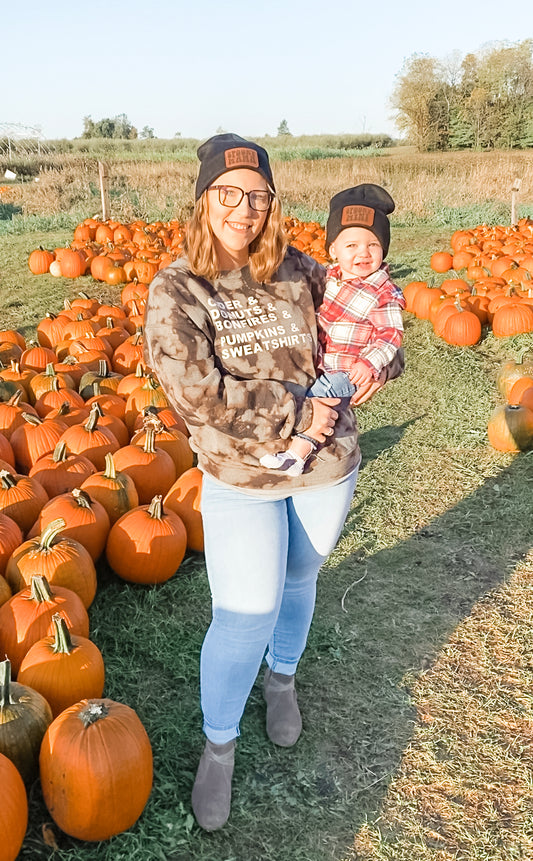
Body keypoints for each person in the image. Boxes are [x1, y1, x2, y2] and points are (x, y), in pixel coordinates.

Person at [143, 134, 404, 832]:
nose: (244, 208)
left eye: (257, 195)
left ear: (272, 203)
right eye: (228, 194)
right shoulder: (177, 287)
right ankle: (220, 744)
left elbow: (365, 313)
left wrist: (386, 360)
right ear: (203, 201)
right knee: (242, 612)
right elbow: (195, 392)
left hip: (326, 465)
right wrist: (298, 407)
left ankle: (281, 677)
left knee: (299, 577)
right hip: (242, 473)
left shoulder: (298, 269)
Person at [260, 184, 406, 476]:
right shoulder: (328, 278)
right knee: (311, 397)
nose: (363, 253)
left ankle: (296, 455)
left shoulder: (383, 291)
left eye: (373, 245)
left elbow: (390, 334)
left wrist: (371, 363)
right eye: (351, 245)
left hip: (346, 372)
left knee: (316, 401)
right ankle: (294, 453)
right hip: (322, 365)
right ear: (333, 249)